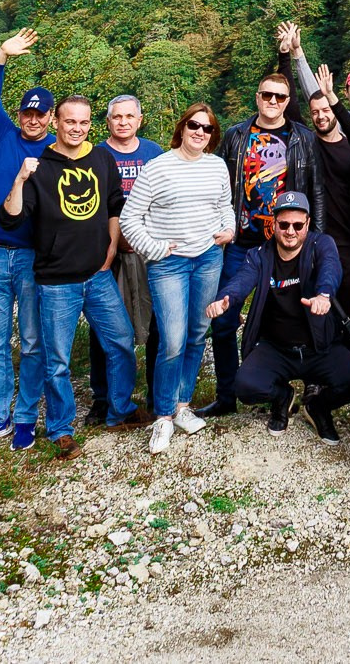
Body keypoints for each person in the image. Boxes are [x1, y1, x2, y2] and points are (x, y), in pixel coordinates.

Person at [7, 95, 138, 456]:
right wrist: (20, 180)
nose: (76, 129)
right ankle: (61, 429)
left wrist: (112, 247)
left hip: (98, 276)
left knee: (122, 343)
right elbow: (12, 217)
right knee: (58, 361)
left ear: (89, 124)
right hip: (56, 282)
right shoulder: (40, 166)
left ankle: (120, 411)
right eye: (69, 122)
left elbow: (114, 203)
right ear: (56, 124)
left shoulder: (101, 158)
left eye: (83, 123)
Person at [201, 57, 330, 416]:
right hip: (243, 242)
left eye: (280, 97)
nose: (273, 102)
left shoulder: (304, 138)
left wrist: (316, 240)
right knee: (225, 317)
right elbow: (220, 186)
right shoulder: (236, 136)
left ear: (289, 101)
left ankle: (308, 390)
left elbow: (316, 191)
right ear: (256, 97)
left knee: (299, 316)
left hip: (289, 245)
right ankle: (228, 396)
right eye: (266, 96)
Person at [120, 105, 237, 455]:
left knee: (198, 333)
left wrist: (228, 228)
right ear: (182, 128)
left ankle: (183, 406)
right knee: (171, 339)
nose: (200, 132)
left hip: (208, 258)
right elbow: (129, 219)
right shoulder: (158, 168)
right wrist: (154, 249)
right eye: (194, 125)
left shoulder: (216, 166)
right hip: (169, 263)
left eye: (207, 128)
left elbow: (224, 205)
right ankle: (163, 415)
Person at [209, 191, 350, 443]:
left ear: (307, 224)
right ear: (274, 225)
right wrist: (226, 298)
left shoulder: (320, 244)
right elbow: (241, 280)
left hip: (319, 348)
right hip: (277, 349)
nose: (290, 231)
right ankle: (283, 396)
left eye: (297, 225)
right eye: (284, 224)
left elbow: (331, 267)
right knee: (245, 386)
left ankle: (318, 406)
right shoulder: (259, 254)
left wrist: (324, 294)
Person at [0, 31, 56, 450]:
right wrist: (1, 54)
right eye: (28, 113)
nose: (33, 120)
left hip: (34, 257)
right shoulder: (3, 133)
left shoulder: (60, 150)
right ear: (20, 114)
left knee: (34, 340)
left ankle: (25, 417)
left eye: (41, 115)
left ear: (52, 118)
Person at [88, 95, 162, 427]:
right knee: (104, 329)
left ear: (139, 119)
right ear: (108, 121)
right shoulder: (95, 155)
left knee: (156, 323)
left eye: (129, 116)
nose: (123, 122)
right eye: (116, 117)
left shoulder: (153, 153)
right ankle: (103, 398)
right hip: (108, 252)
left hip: (148, 249)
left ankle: (155, 394)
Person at [304, 81, 350, 314]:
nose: (320, 116)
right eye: (315, 112)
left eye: (326, 110)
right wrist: (288, 56)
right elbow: (289, 108)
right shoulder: (307, 145)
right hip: (314, 237)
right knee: (317, 301)